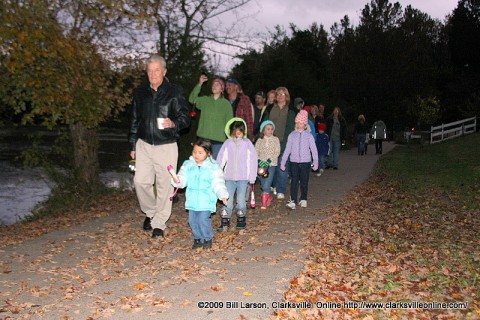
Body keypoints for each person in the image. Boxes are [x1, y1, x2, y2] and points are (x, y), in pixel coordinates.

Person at [129, 54, 190, 239]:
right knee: (140, 182)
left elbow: (185, 118)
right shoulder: (140, 94)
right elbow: (134, 120)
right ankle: (151, 212)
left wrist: (173, 123)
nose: (153, 74)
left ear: (164, 71)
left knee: (164, 185)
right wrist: (132, 144)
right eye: (150, 71)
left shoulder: (174, 92)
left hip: (166, 145)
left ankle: (159, 223)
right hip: (143, 144)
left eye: (157, 70)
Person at [173, 139, 228, 249]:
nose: (196, 155)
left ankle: (207, 238)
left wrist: (222, 194)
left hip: (206, 200)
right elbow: (183, 178)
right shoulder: (188, 165)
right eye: (194, 152)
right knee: (192, 221)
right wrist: (177, 180)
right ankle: (197, 238)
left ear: (208, 154)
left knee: (203, 220)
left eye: (200, 152)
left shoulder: (213, 167)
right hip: (192, 200)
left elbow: (218, 182)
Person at [216, 118, 257, 231]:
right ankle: (225, 220)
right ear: (231, 131)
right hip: (228, 177)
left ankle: (241, 219)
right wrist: (217, 173)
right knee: (227, 198)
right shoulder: (227, 143)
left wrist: (252, 176)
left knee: (241, 198)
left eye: (240, 130)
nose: (237, 133)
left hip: (243, 177)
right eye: (235, 130)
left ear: (243, 131)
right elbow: (221, 158)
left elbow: (252, 160)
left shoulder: (247, 143)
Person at [262, 87, 296, 200]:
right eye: (278, 94)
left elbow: (293, 127)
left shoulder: (291, 110)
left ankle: (281, 189)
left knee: (282, 165)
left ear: (286, 96)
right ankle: (273, 185)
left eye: (283, 94)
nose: (280, 96)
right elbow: (264, 123)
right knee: (272, 164)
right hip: (270, 141)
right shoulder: (270, 108)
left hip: (285, 141)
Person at [280, 110, 318, 210]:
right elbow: (287, 149)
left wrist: (316, 162)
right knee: (294, 181)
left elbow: (314, 149)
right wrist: (283, 162)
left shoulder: (309, 136)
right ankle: (293, 200)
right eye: (297, 123)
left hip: (305, 162)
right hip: (294, 162)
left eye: (301, 123)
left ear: (305, 124)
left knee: (304, 181)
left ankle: (304, 198)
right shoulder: (291, 135)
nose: (299, 125)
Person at [188, 74, 233, 159]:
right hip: (202, 140)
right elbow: (192, 99)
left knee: (214, 167)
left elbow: (229, 124)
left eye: (217, 84)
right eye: (213, 84)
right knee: (200, 165)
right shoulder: (205, 100)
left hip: (218, 143)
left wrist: (230, 140)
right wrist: (200, 84)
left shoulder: (226, 104)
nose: (214, 86)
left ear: (222, 89)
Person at [254, 120, 280, 209]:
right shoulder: (260, 140)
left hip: (271, 164)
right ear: (263, 130)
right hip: (261, 163)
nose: (270, 131)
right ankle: (267, 195)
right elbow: (256, 150)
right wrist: (258, 160)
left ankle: (264, 201)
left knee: (268, 180)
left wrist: (270, 160)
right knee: (262, 179)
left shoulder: (275, 139)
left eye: (272, 129)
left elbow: (277, 151)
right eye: (268, 129)